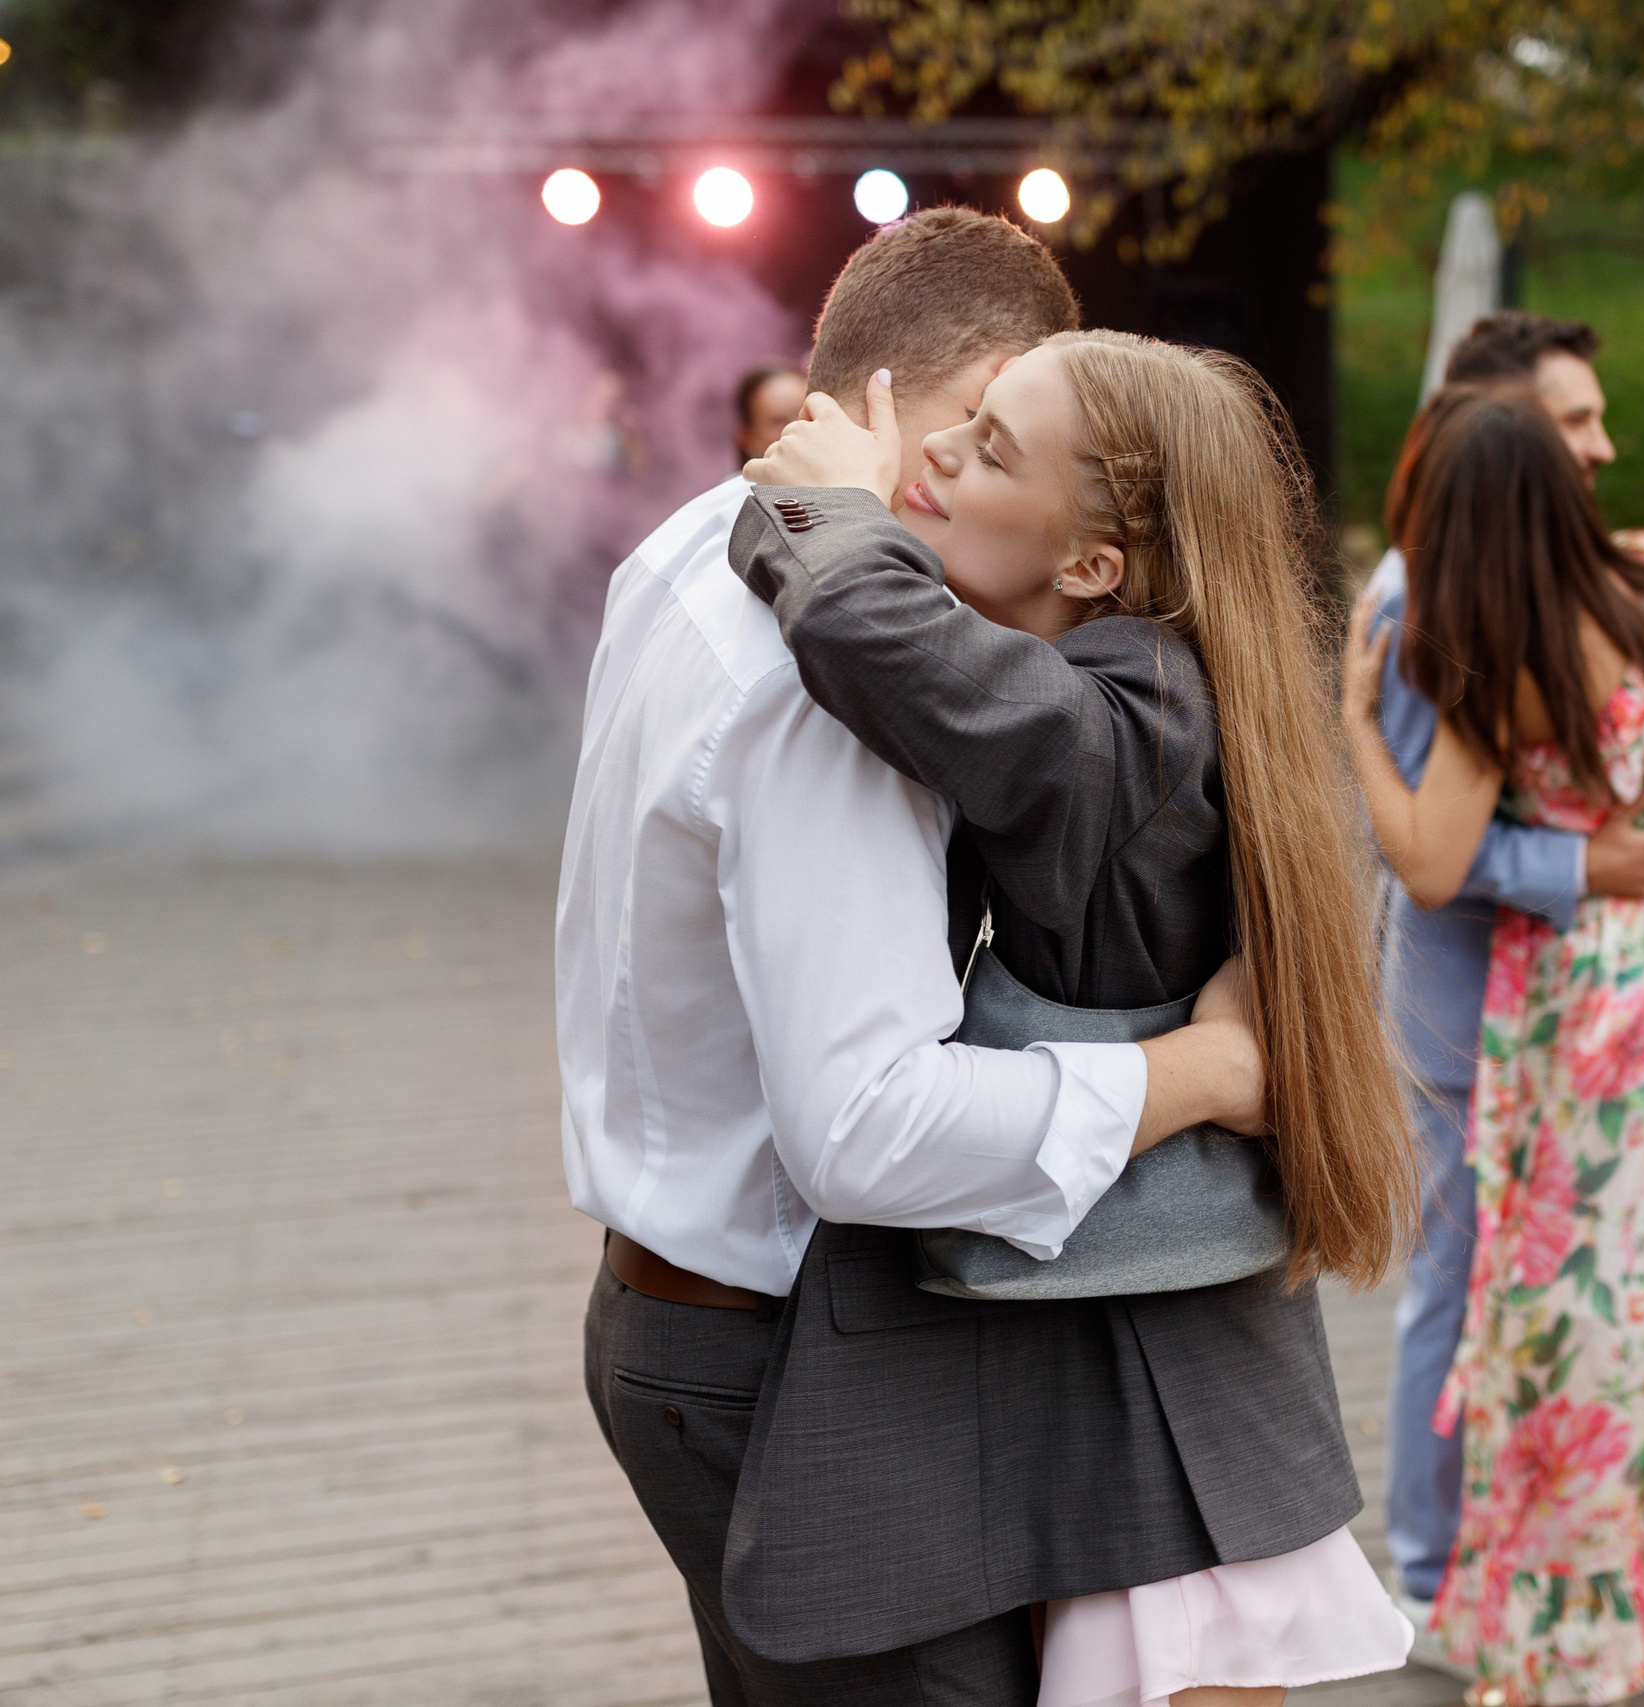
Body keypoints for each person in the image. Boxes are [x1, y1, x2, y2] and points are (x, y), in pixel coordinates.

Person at [557, 206, 1273, 1706]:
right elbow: (870, 1131)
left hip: (672, 1310)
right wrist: (1205, 1068)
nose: (955, 475)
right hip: (777, 1356)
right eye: (991, 432)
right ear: (972, 383)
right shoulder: (842, 674)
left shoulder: (690, 541)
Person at [731, 329, 1421, 1707]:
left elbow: (873, 632)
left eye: (991, 448)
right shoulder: (1162, 678)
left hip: (1156, 1336)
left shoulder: (1137, 711)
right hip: (1147, 1323)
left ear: (1096, 567)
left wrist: (822, 509)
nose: (936, 454)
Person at [1342, 385, 1644, 1705]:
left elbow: (1432, 859)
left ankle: (1571, 1636)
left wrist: (1353, 727)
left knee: (1579, 1318)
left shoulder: (1499, 652)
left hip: (1608, 1013)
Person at [1359, 311, 1644, 1651]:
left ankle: (1517, 1539)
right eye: (1576, 419)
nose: (1604, 442)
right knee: (1454, 1285)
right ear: (1488, 421)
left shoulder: (1549, 564)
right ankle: (1429, 1566)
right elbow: (1422, 835)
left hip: (1574, 1011)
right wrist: (1587, 863)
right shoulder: (1417, 592)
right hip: (1467, 1005)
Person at [732, 363, 808, 466]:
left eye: (805, 412)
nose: (797, 426)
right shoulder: (738, 482)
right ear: (747, 439)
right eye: (778, 422)